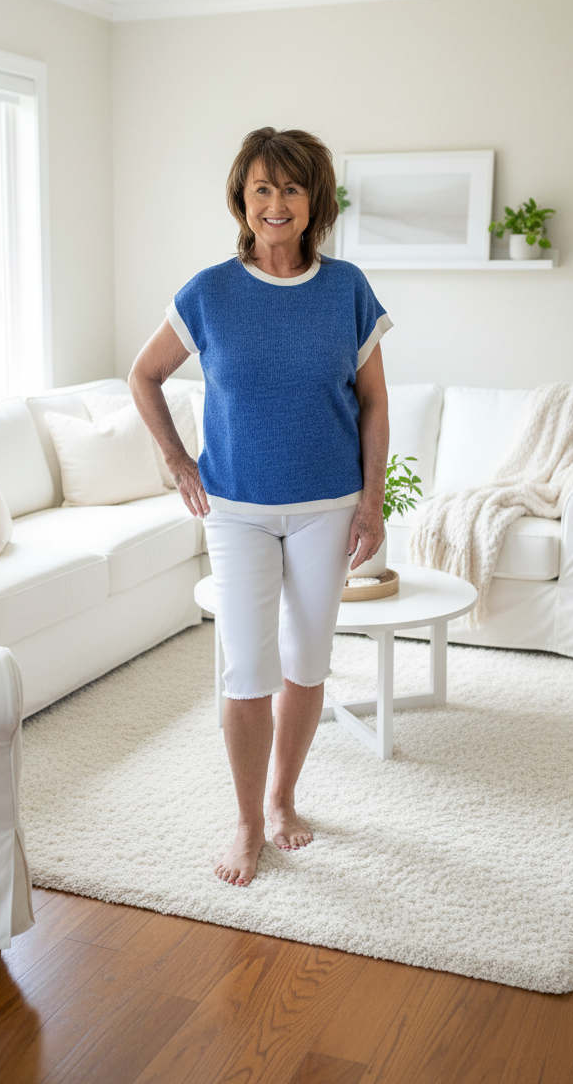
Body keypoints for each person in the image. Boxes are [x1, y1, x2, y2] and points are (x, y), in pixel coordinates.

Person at [129, 127, 392, 887]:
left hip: (328, 507)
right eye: (262, 190)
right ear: (243, 201)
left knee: (307, 663)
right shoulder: (209, 291)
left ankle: (282, 801)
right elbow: (144, 376)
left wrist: (372, 502)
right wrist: (177, 460)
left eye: (293, 189)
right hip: (236, 509)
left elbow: (374, 404)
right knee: (248, 670)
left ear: (317, 201)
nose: (277, 204)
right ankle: (246, 822)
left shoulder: (347, 289)